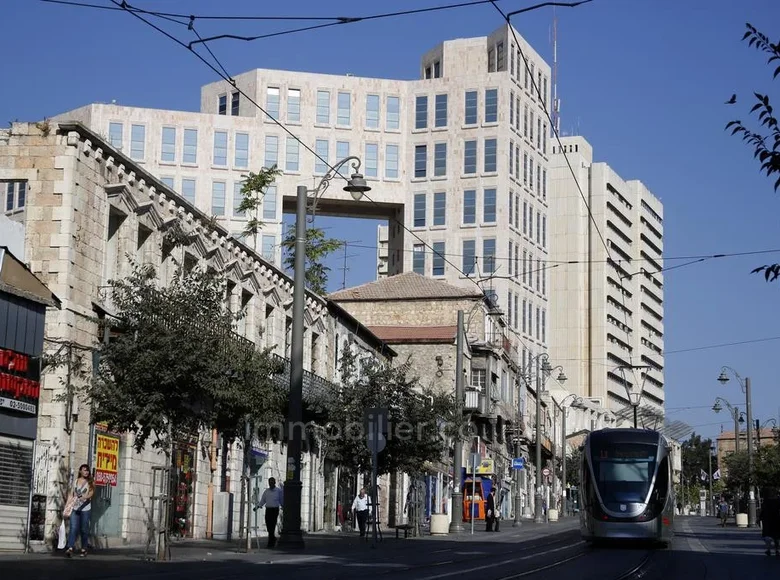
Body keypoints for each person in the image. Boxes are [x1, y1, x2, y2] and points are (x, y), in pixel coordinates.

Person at [65, 464, 94, 557]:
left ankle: (84, 548)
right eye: (84, 470)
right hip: (75, 508)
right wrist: (67, 506)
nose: (86, 472)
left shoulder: (90, 482)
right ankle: (70, 548)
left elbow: (91, 494)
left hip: (85, 509)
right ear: (80, 471)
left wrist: (84, 497)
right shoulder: (76, 481)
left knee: (84, 529)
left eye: (87, 470)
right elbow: (71, 494)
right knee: (73, 528)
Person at [258, 477, 283, 548]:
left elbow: (281, 500)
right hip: (268, 509)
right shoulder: (266, 491)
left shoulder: (278, 491)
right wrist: (259, 506)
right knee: (268, 525)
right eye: (270, 483)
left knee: (272, 525)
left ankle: (270, 542)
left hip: (275, 510)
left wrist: (283, 506)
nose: (271, 484)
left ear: (274, 483)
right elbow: (263, 500)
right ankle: (273, 538)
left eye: (272, 482)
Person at [759, 488, 780, 557]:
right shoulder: (778, 501)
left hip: (767, 521)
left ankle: (768, 550)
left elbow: (763, 511)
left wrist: (760, 518)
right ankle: (777, 550)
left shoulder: (766, 501)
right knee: (776, 536)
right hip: (776, 520)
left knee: (767, 536)